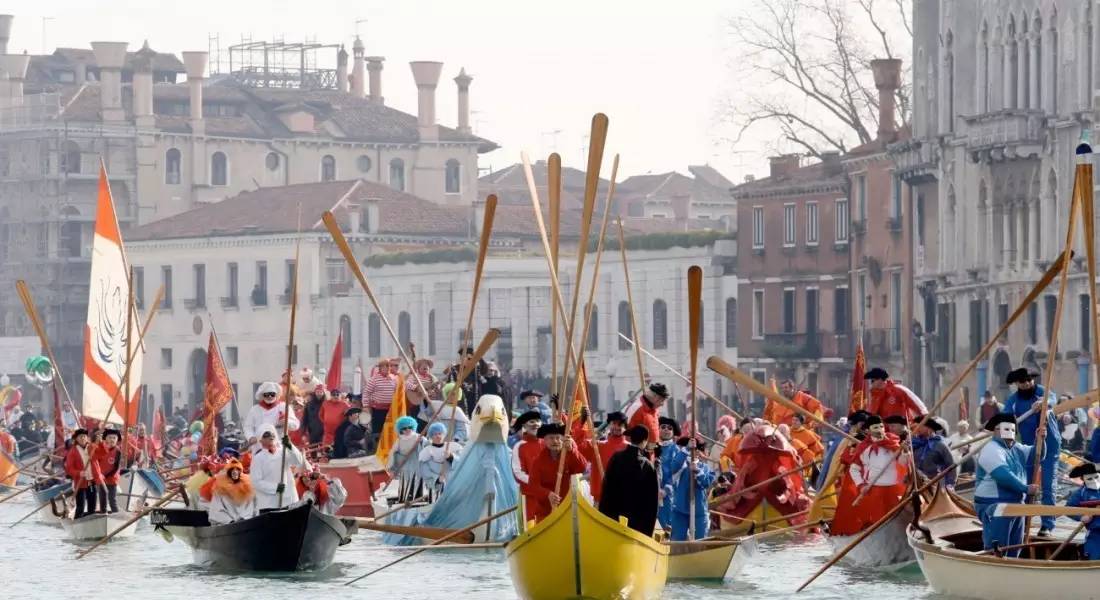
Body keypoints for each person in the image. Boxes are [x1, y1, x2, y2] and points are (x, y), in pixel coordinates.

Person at [1001, 367, 1060, 536]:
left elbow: (1052, 400)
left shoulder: (1043, 391)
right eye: (1022, 382)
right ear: (1017, 384)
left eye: (1029, 380)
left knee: (1048, 486)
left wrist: (1044, 403)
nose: (1027, 384)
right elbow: (1005, 417)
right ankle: (1024, 522)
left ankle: (1047, 525)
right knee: (1026, 485)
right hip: (1029, 447)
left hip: (1050, 445)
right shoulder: (1013, 400)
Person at [974, 413, 1039, 557]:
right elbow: (1003, 475)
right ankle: (993, 563)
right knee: (997, 548)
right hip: (994, 506)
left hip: (1017, 505)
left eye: (1013, 430)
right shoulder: (991, 449)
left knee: (1016, 546)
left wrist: (1041, 439)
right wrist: (1025, 488)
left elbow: (1038, 454)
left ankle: (1012, 565)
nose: (1010, 434)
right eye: (1005, 430)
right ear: (996, 431)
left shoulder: (1017, 448)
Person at [845, 415, 907, 532]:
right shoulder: (863, 447)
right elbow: (854, 469)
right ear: (868, 430)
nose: (880, 429)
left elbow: (903, 463)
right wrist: (861, 485)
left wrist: (905, 452)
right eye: (876, 427)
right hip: (874, 489)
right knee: (878, 520)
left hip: (893, 489)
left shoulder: (893, 444)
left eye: (881, 426)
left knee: (897, 519)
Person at [598, 424, 659, 535]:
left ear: (630, 438)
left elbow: (606, 489)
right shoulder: (648, 466)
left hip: (613, 519)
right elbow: (651, 502)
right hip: (637, 525)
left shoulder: (616, 458)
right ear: (645, 441)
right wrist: (648, 532)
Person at [523, 422, 589, 523]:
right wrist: (548, 494)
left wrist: (572, 451)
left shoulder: (569, 454)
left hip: (568, 508)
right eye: (551, 438)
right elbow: (533, 485)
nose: (555, 441)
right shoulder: (538, 461)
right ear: (544, 440)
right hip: (545, 510)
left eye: (558, 437)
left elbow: (582, 467)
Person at [249, 423, 309, 510]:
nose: (271, 436)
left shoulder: (284, 451)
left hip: (289, 500)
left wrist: (290, 446)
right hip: (269, 503)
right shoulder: (258, 458)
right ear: (260, 440)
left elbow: (298, 462)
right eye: (266, 435)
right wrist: (275, 488)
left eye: (272, 434)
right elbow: (256, 482)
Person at [668, 436, 716, 541]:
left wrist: (697, 471)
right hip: (680, 509)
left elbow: (705, 483)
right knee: (677, 541)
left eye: (695, 449)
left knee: (701, 541)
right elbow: (673, 467)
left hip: (699, 511)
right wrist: (686, 449)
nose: (693, 452)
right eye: (690, 449)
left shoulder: (705, 468)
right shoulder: (681, 464)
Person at [243, 381, 300, 454]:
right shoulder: (255, 409)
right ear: (263, 395)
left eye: (272, 394)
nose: (270, 396)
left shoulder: (284, 407)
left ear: (276, 395)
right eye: (267, 394)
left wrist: (286, 422)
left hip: (278, 445)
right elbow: (248, 427)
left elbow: (296, 424)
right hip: (259, 446)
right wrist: (250, 437)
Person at [587, 411, 629, 503]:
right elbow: (580, 450)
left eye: (620, 425)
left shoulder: (630, 448)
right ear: (609, 425)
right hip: (600, 497)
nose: (617, 427)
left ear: (625, 427)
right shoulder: (597, 445)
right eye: (614, 423)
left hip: (622, 498)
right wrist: (582, 424)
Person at [510, 410, 543, 520]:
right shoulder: (519, 446)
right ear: (524, 425)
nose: (536, 424)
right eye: (532, 422)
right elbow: (518, 473)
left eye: (538, 421)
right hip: (530, 497)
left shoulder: (548, 443)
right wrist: (537, 482)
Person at [1065, 463, 1100, 559]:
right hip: (1095, 532)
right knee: (1094, 557)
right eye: (1090, 478)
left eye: (1096, 477)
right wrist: (1080, 517)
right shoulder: (1080, 493)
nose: (1094, 481)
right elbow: (1068, 508)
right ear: (1082, 479)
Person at [64, 428, 101, 518]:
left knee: (92, 505)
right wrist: (79, 473)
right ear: (76, 438)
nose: (83, 438)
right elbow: (69, 469)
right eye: (80, 437)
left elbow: (103, 454)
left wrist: (101, 442)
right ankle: (78, 521)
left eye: (84, 436)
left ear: (87, 438)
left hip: (92, 481)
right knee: (81, 506)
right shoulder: (72, 452)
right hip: (81, 483)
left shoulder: (92, 447)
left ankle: (91, 521)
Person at [207, 458, 257, 524]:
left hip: (248, 523)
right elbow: (216, 510)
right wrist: (230, 521)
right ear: (228, 472)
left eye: (237, 469)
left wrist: (245, 518)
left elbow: (254, 507)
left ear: (241, 472)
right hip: (228, 526)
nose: (235, 471)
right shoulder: (220, 490)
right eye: (232, 469)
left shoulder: (249, 488)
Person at [386, 416, 424, 502]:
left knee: (417, 481)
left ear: (413, 427)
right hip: (404, 465)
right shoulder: (399, 440)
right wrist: (391, 469)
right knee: (405, 483)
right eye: (404, 428)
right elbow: (392, 453)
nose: (407, 430)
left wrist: (422, 442)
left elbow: (428, 447)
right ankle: (404, 499)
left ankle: (418, 498)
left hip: (416, 463)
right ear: (400, 430)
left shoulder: (419, 437)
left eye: (410, 427)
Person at [419, 422, 461, 499]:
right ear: (431, 436)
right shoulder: (426, 451)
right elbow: (424, 470)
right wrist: (437, 479)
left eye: (440, 433)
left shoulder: (453, 446)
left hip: (451, 483)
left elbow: (462, 463)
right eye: (435, 434)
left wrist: (451, 457)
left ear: (444, 434)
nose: (438, 436)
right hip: (436, 486)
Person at [911, 417, 956, 488]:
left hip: (936, 484)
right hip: (918, 484)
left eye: (921, 426)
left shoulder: (940, 445)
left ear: (929, 428)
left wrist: (950, 484)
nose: (918, 428)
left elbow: (950, 465)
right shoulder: (915, 444)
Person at [656, 416, 681, 530]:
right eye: (663, 427)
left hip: (667, 496)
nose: (666, 429)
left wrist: (665, 490)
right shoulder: (651, 446)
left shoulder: (676, 450)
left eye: (669, 428)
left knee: (666, 525)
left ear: (673, 432)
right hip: (651, 493)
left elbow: (676, 474)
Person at [92, 428, 124, 513]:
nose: (112, 440)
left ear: (117, 440)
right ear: (105, 438)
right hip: (101, 479)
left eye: (114, 438)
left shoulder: (118, 451)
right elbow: (95, 461)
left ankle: (116, 514)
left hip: (112, 479)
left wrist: (105, 475)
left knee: (112, 499)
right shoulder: (101, 449)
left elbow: (116, 468)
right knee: (102, 498)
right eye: (110, 437)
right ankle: (103, 513)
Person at [365, 359, 398, 441]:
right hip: (378, 410)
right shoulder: (374, 379)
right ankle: (377, 448)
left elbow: (398, 391)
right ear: (380, 368)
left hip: (390, 410)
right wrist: (365, 406)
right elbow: (366, 393)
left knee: (390, 429)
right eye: (385, 366)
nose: (387, 368)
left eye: (389, 366)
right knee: (378, 430)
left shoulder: (394, 379)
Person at [627, 383, 669, 448]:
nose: (662, 404)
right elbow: (625, 433)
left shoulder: (655, 409)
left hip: (651, 453)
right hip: (638, 454)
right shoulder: (636, 408)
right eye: (662, 400)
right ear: (655, 397)